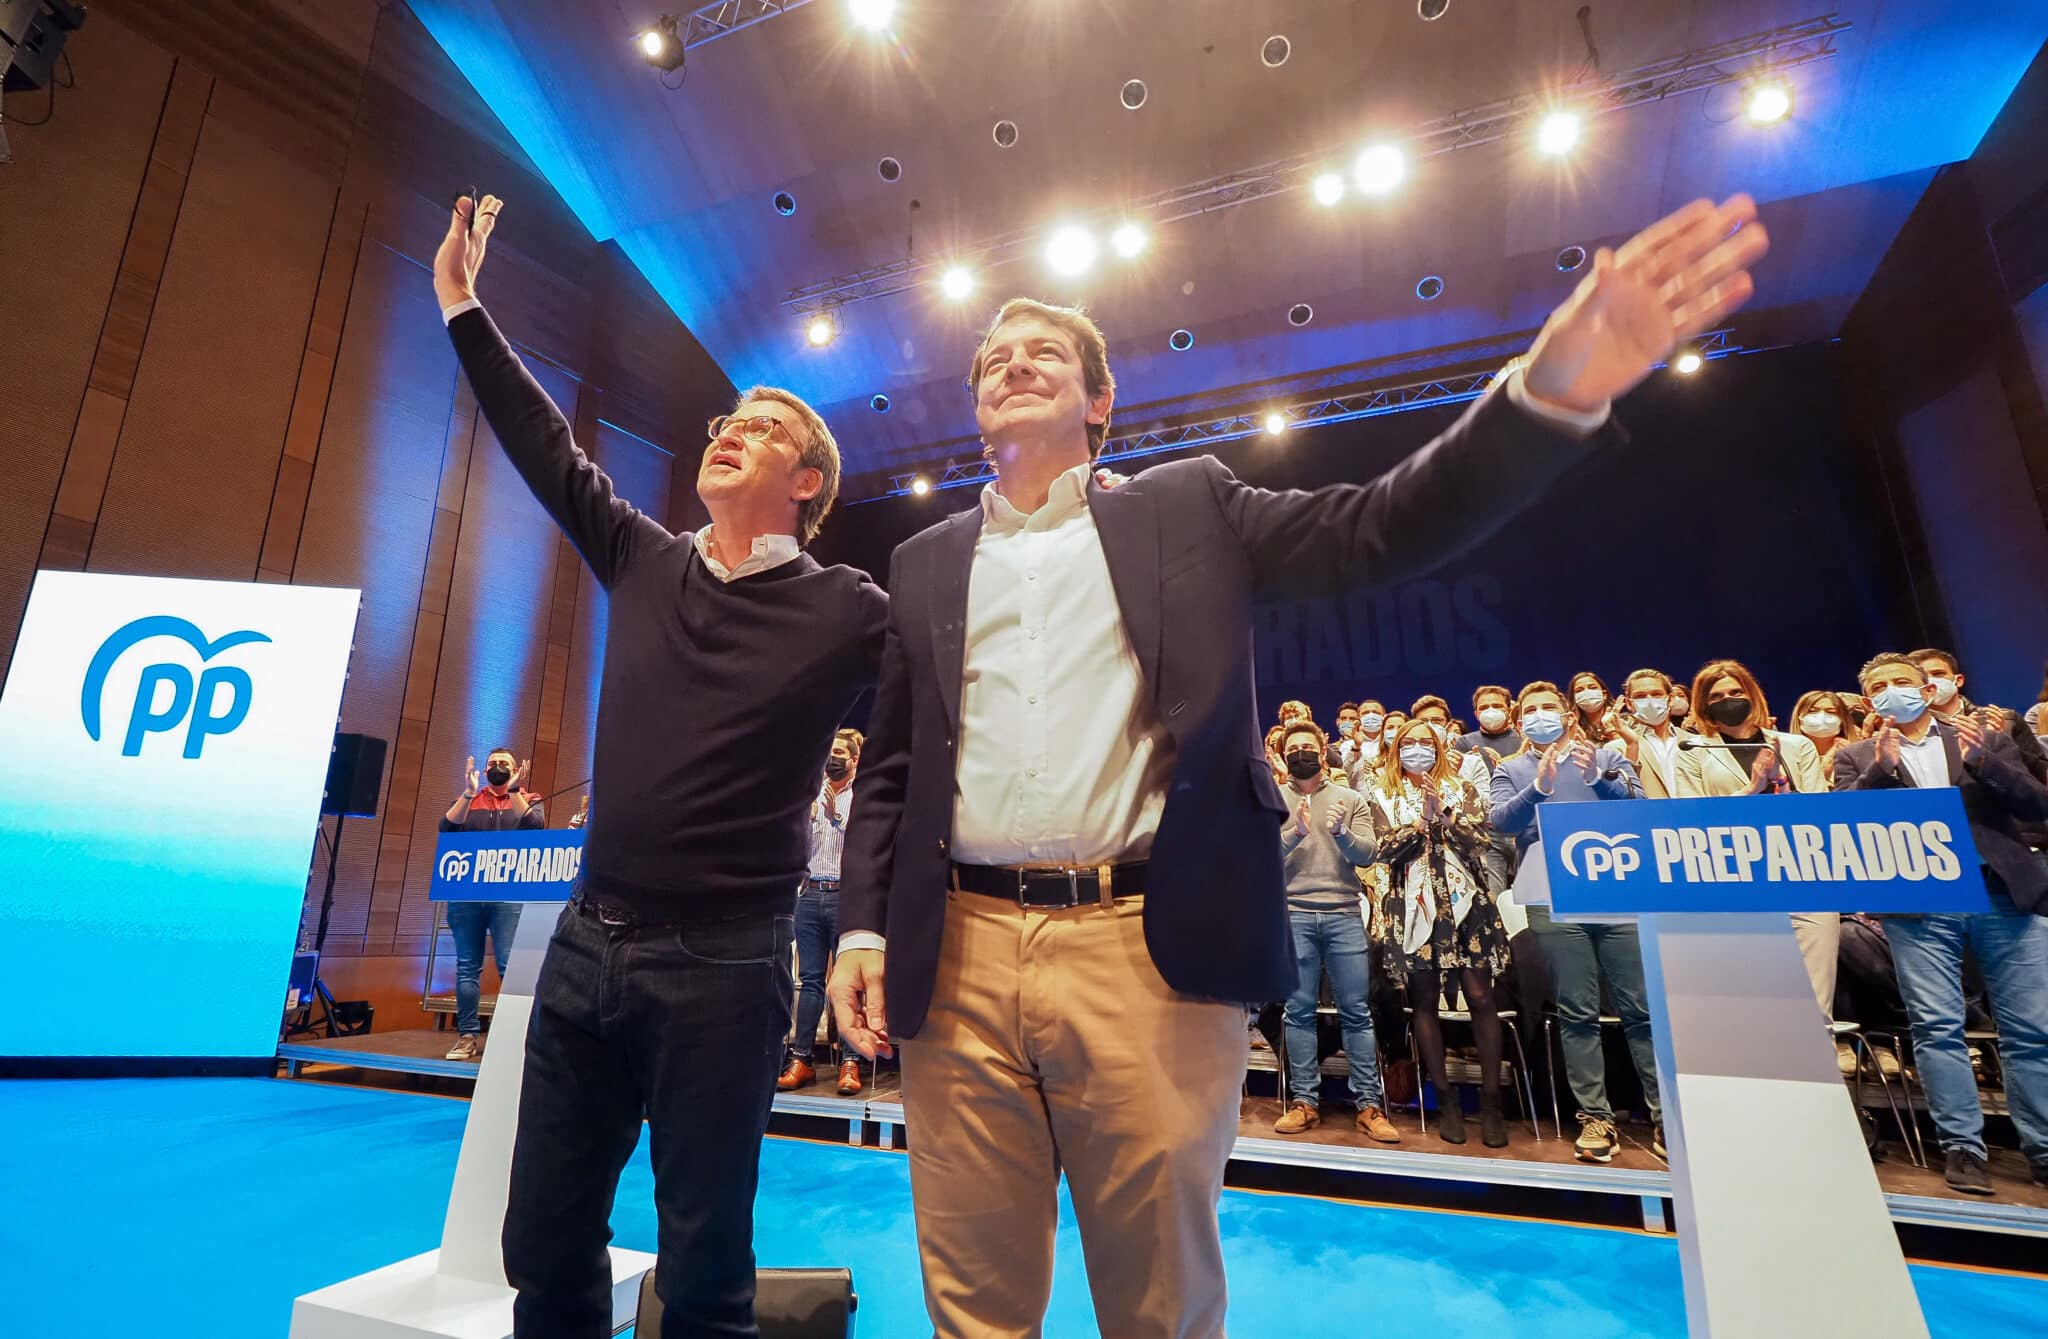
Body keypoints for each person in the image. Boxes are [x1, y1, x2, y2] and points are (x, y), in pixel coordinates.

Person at [831, 191, 1766, 1337]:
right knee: (970, 1303)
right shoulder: (924, 560)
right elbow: (888, 770)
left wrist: (1548, 389)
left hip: (1143, 949)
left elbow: (1382, 523)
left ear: (1099, 401)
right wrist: (866, 928)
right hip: (956, 956)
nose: (1013, 365)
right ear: (975, 404)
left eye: (1044, 353)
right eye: (994, 357)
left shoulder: (1187, 507)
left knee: (1159, 1301)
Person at [433, 194, 888, 1337]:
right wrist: (460, 302)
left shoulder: (849, 610)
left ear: (807, 489)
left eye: (764, 428)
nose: (728, 429)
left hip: (726, 971)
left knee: (703, 1271)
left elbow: (946, 712)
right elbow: (545, 445)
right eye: (725, 418)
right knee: (542, 1243)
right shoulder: (641, 556)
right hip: (586, 945)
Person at [1834, 653, 2048, 1196]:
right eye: (1879, 687)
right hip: (1918, 906)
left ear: (1927, 689)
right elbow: (1845, 826)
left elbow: (2036, 804)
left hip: (2001, 894)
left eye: (1902, 682)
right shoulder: (1857, 756)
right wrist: (1880, 772)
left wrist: (1988, 763)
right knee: (1936, 1027)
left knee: (2030, 1030)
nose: (1892, 692)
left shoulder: (1981, 738)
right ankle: (1963, 1147)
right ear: (1867, 702)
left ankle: (2042, 1148)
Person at [1489, 683, 1662, 1163]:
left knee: (1642, 1009)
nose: (1540, 715)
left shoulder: (1607, 755)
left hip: (1617, 892)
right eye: (1531, 710)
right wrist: (1539, 788)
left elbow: (1640, 808)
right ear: (1520, 722)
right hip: (1552, 895)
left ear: (1567, 715)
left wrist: (1601, 780)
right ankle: (1594, 1116)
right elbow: (1500, 822)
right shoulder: (1510, 768)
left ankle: (1665, 1116)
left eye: (1548, 707)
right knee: (1577, 1011)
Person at [1674, 658, 1843, 1058]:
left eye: (1735, 692)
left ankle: (1820, 1087)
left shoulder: (1795, 745)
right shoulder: (1692, 751)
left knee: (1815, 1003)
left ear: (1752, 695)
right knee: (1754, 998)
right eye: (1717, 696)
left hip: (1803, 876)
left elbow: (1818, 810)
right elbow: (1690, 817)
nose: (1728, 700)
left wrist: (1781, 787)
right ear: (1703, 704)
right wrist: (1751, 791)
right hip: (1735, 881)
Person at [1366, 717, 1512, 1147]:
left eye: (1424, 742)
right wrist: (1418, 823)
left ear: (1438, 747)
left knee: (1482, 998)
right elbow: (1383, 849)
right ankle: (1445, 1100)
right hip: (1412, 905)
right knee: (1424, 1001)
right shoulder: (1381, 793)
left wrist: (1443, 815)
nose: (1416, 749)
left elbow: (1481, 843)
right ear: (1396, 750)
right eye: (1408, 743)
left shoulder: (1460, 787)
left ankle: (1490, 1103)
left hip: (1465, 903)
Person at [1272, 721, 1400, 1143]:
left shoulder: (1350, 798)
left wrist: (1342, 833)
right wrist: (1297, 833)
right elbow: (1260, 854)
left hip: (1345, 914)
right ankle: (1304, 1102)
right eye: (1295, 748)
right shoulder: (1272, 798)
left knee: (1357, 1012)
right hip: (1293, 916)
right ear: (1283, 754)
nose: (1303, 752)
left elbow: (1369, 854)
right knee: (1298, 1011)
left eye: (1310, 746)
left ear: (1323, 748)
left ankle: (1369, 1106)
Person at [439, 747, 543, 1061]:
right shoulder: (471, 799)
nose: (498, 767)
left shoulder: (528, 799)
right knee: (467, 968)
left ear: (515, 771)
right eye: (493, 764)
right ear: (484, 771)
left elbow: (534, 827)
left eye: (504, 764)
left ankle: (515, 1037)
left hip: (508, 896)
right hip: (466, 895)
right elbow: (447, 828)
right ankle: (467, 1036)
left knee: (509, 966)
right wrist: (468, 794)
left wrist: (514, 791)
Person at [780, 728, 865, 1096]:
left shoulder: (861, 799)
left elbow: (866, 847)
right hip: (811, 894)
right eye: (829, 752)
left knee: (847, 981)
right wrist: (811, 820)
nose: (832, 760)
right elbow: (801, 850)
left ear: (854, 760)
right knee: (811, 980)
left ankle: (850, 1061)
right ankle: (801, 1059)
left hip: (848, 895)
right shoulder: (812, 794)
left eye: (840, 754)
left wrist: (835, 817)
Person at [1913, 647, 2048, 781]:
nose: (1932, 682)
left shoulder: (2007, 719)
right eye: (1924, 678)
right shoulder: (1912, 731)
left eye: (1938, 674)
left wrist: (2000, 742)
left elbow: (2039, 773)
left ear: (1958, 680)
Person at [1610, 667, 1691, 800]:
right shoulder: (1616, 749)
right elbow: (1621, 795)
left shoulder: (1694, 743)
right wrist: (1631, 747)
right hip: (1649, 819)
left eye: (1656, 694)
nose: (1649, 700)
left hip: (1695, 818)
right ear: (1629, 704)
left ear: (1670, 699)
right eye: (1640, 696)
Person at [1789, 689, 1862, 787]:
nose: (1821, 716)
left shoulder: (1855, 755)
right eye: (1812, 711)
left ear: (1842, 719)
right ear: (1799, 717)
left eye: (1831, 712)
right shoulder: (1787, 754)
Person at [1460, 684, 1520, 756]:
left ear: (1509, 711)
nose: (1490, 711)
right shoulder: (1464, 742)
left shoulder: (1522, 740)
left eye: (1497, 706)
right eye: (1484, 708)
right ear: (1476, 715)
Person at [1345, 697, 1391, 786]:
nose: (1371, 715)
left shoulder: (1391, 743)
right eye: (1365, 713)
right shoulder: (1348, 745)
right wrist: (1356, 746)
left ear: (1384, 717)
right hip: (1359, 797)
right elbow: (1345, 772)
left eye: (1376, 712)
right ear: (1359, 718)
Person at [1567, 670, 1620, 745]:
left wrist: (1612, 731)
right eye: (1579, 690)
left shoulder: (1625, 722)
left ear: (1604, 694)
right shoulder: (1572, 729)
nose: (1587, 692)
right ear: (1574, 699)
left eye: (1592, 688)